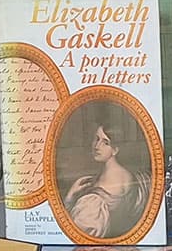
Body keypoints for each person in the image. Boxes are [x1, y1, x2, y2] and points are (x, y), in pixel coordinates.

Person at [63, 102, 148, 239]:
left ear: (115, 149)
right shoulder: (130, 176)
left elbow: (77, 234)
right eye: (96, 139)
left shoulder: (93, 202)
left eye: (105, 142)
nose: (97, 146)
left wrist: (69, 199)